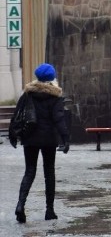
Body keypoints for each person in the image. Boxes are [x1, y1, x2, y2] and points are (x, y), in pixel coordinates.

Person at [9, 63, 70, 223]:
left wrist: (14, 134)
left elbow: (18, 113)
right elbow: (59, 118)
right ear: (52, 78)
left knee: (29, 171)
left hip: (30, 137)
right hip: (49, 138)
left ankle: (20, 205)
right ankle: (49, 210)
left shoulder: (28, 94)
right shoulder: (55, 96)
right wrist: (65, 138)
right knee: (49, 172)